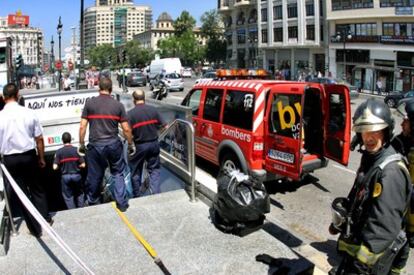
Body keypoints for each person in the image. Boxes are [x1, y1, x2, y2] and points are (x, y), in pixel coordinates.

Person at [329, 98, 412, 275]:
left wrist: (359, 267)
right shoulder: (371, 159)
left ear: (386, 130)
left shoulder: (390, 172)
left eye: (375, 130)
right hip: (356, 252)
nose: (369, 137)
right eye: (364, 131)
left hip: (370, 265)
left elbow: (382, 229)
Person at [0, 83, 51, 238]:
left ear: (3, 97)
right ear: (18, 95)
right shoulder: (29, 113)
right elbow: (39, 138)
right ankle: (45, 219)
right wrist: (41, 157)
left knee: (21, 193)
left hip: (10, 159)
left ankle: (34, 228)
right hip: (28, 156)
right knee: (37, 188)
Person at [79, 77, 134, 212]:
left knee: (95, 174)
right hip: (113, 144)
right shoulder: (118, 105)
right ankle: (121, 203)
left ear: (99, 88)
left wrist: (81, 144)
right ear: (111, 89)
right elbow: (126, 129)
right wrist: (131, 144)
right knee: (118, 172)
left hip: (96, 145)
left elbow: (82, 127)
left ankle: (93, 202)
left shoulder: (90, 104)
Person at [127, 89, 167, 196]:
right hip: (153, 144)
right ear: (144, 98)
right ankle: (155, 193)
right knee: (154, 169)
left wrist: (130, 144)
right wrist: (157, 134)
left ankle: (137, 195)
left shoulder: (130, 114)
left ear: (134, 100)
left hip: (139, 146)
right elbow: (165, 126)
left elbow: (128, 131)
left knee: (136, 171)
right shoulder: (153, 110)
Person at [390, 99, 414, 274]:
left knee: (405, 244)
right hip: (397, 205)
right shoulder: (398, 141)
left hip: (409, 210)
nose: (402, 123)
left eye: (406, 121)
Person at [53, 132, 86, 209]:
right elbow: (83, 165)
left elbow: (54, 167)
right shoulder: (77, 150)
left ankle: (73, 211)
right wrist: (78, 166)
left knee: (68, 196)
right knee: (79, 193)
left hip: (65, 177)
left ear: (62, 140)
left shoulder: (59, 152)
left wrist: (60, 166)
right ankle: (81, 210)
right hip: (76, 175)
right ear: (71, 139)